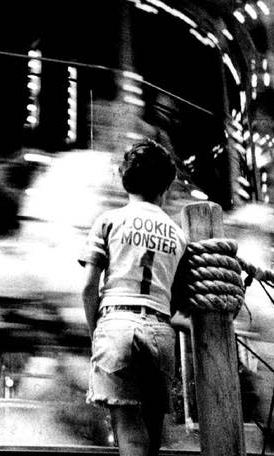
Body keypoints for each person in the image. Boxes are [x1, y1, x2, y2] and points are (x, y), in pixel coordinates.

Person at [79, 140, 188, 456]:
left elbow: (88, 287)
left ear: (126, 179)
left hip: (116, 323)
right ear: (165, 187)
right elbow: (176, 297)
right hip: (161, 332)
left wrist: (94, 330)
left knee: (128, 435)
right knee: (152, 438)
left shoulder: (109, 221)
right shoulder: (179, 236)